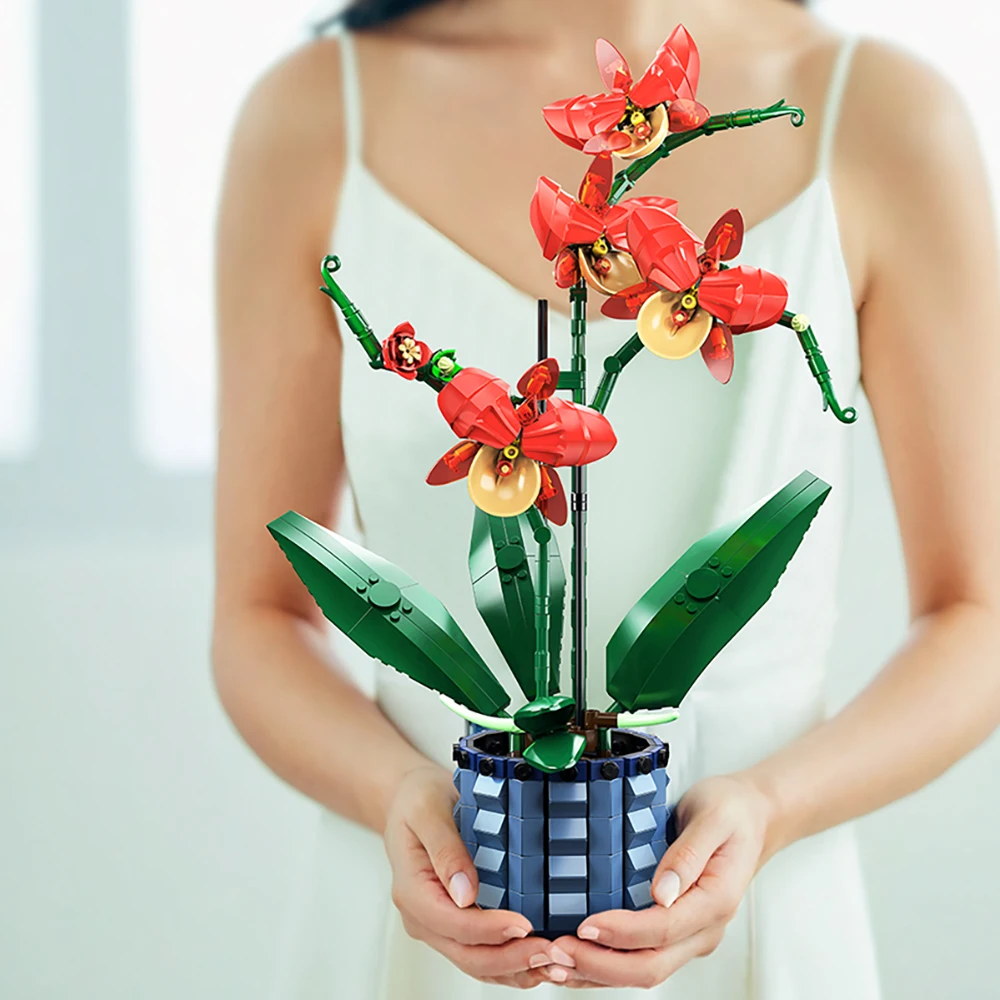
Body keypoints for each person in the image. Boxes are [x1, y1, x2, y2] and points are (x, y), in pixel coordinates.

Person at [212, 0, 1000, 995]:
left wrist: (771, 804)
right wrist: (397, 791)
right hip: (419, 916)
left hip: (757, 918)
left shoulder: (885, 116)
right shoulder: (314, 115)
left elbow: (977, 615)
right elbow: (258, 614)